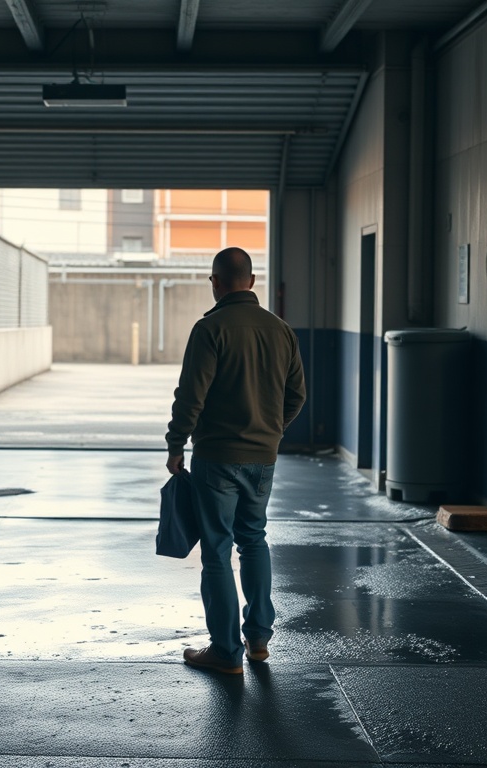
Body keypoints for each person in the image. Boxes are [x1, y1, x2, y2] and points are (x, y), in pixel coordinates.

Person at [166, 246, 306, 674]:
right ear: (252, 281)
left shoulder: (210, 329)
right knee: (254, 539)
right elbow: (296, 395)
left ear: (215, 283)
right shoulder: (280, 330)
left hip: (217, 458)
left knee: (216, 550)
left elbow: (191, 395)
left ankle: (225, 652)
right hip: (263, 457)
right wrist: (271, 431)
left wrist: (176, 443)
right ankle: (258, 639)